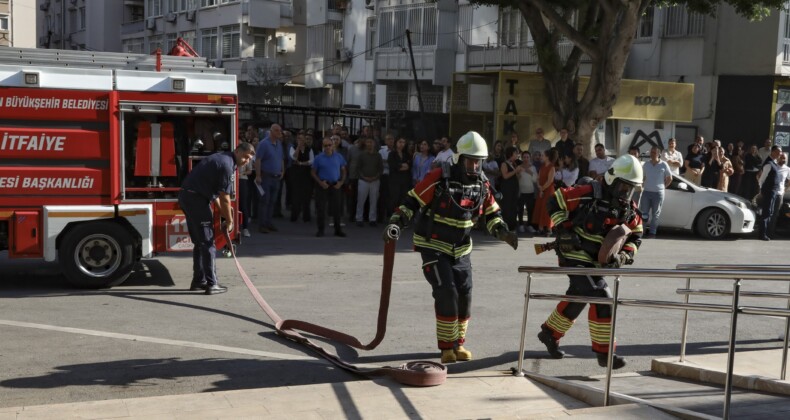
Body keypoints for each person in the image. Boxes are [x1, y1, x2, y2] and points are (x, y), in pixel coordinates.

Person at [383, 131, 518, 364]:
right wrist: (396, 223)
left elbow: (493, 213)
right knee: (447, 291)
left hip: (462, 249)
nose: (475, 166)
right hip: (433, 244)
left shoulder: (482, 184)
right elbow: (411, 202)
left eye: (479, 161)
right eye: (470, 160)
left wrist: (503, 232)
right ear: (459, 158)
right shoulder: (439, 178)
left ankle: (458, 344)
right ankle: (446, 348)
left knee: (465, 294)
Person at [537, 154, 644, 369]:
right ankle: (605, 355)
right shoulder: (587, 193)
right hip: (573, 254)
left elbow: (637, 234)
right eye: (625, 188)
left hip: (596, 263)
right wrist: (563, 229)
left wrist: (624, 255)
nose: (627, 194)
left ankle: (549, 333)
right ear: (613, 180)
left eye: (631, 189)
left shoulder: (628, 208)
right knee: (602, 296)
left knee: (580, 296)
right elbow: (554, 201)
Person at [179, 142, 256, 295]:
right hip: (196, 200)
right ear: (238, 151)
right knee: (208, 243)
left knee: (199, 242)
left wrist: (225, 215)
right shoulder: (227, 165)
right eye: (246, 157)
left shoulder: (223, 159)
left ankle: (198, 281)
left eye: (250, 159)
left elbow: (216, 196)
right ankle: (211, 283)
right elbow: (225, 198)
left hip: (188, 197)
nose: (246, 161)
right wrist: (230, 221)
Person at [312, 136, 347, 237]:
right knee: (321, 208)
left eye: (329, 145)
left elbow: (344, 170)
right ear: (322, 146)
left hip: (335, 185)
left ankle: (338, 230)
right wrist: (320, 182)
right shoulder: (318, 158)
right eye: (325, 145)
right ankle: (320, 230)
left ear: (333, 145)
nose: (327, 147)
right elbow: (313, 172)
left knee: (337, 209)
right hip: (323, 185)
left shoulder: (339, 157)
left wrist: (341, 182)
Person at [255, 123, 284, 233]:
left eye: (280, 131)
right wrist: (258, 175)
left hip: (276, 177)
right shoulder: (263, 144)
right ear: (271, 131)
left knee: (272, 201)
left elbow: (281, 158)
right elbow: (258, 160)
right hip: (266, 176)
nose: (279, 133)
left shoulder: (279, 144)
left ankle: (268, 222)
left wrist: (282, 171)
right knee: (264, 201)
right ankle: (262, 224)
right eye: (277, 130)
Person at [640, 146, 673, 238]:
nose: (652, 154)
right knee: (644, 213)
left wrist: (663, 187)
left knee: (655, 214)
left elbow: (670, 178)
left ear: (659, 154)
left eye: (654, 152)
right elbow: (642, 178)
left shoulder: (664, 164)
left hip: (658, 193)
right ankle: (642, 232)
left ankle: (652, 233)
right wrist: (642, 187)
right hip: (646, 192)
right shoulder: (646, 164)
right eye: (651, 152)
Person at [757, 146, 784, 241]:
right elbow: (761, 179)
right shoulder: (768, 164)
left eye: (780, 152)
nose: (779, 154)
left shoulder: (774, 163)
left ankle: (766, 233)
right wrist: (762, 190)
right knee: (766, 212)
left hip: (773, 192)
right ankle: (762, 234)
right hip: (768, 192)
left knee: (770, 212)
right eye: (777, 152)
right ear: (772, 152)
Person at [355, 137, 383, 227]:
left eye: (371, 142)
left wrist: (375, 177)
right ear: (365, 143)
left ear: (374, 144)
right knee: (361, 200)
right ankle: (359, 218)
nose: (369, 144)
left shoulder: (378, 155)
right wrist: (364, 177)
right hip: (363, 181)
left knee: (374, 200)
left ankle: (372, 219)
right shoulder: (361, 155)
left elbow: (380, 168)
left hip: (375, 181)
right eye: (368, 142)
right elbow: (358, 168)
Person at [289, 131, 315, 223]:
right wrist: (298, 148)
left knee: (306, 195)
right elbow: (294, 157)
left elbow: (312, 161)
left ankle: (306, 216)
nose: (301, 141)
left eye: (303, 140)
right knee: (296, 195)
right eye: (300, 139)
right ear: (297, 140)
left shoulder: (309, 149)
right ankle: (294, 215)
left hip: (306, 174)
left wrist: (302, 163)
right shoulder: (293, 148)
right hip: (296, 174)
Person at [533, 148, 558, 236]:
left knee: (547, 209)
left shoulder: (552, 167)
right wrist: (540, 188)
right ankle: (540, 228)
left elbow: (550, 181)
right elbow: (538, 178)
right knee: (540, 208)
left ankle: (548, 229)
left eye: (543, 155)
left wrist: (542, 189)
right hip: (542, 190)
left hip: (548, 191)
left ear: (547, 157)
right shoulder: (542, 166)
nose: (541, 157)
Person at [499, 146, 524, 232]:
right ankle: (506, 225)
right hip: (507, 188)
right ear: (511, 154)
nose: (517, 155)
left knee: (514, 207)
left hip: (514, 188)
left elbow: (517, 176)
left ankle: (512, 226)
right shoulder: (504, 164)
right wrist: (515, 171)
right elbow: (505, 176)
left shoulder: (514, 164)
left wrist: (518, 172)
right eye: (515, 153)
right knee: (507, 207)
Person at [517, 150, 538, 234]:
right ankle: (521, 224)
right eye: (524, 157)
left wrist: (531, 173)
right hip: (521, 191)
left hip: (530, 191)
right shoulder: (519, 167)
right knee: (520, 209)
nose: (526, 159)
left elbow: (535, 180)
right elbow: (517, 179)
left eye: (527, 157)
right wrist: (518, 174)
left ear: (530, 158)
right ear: (522, 158)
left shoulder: (533, 168)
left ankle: (529, 225)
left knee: (530, 209)